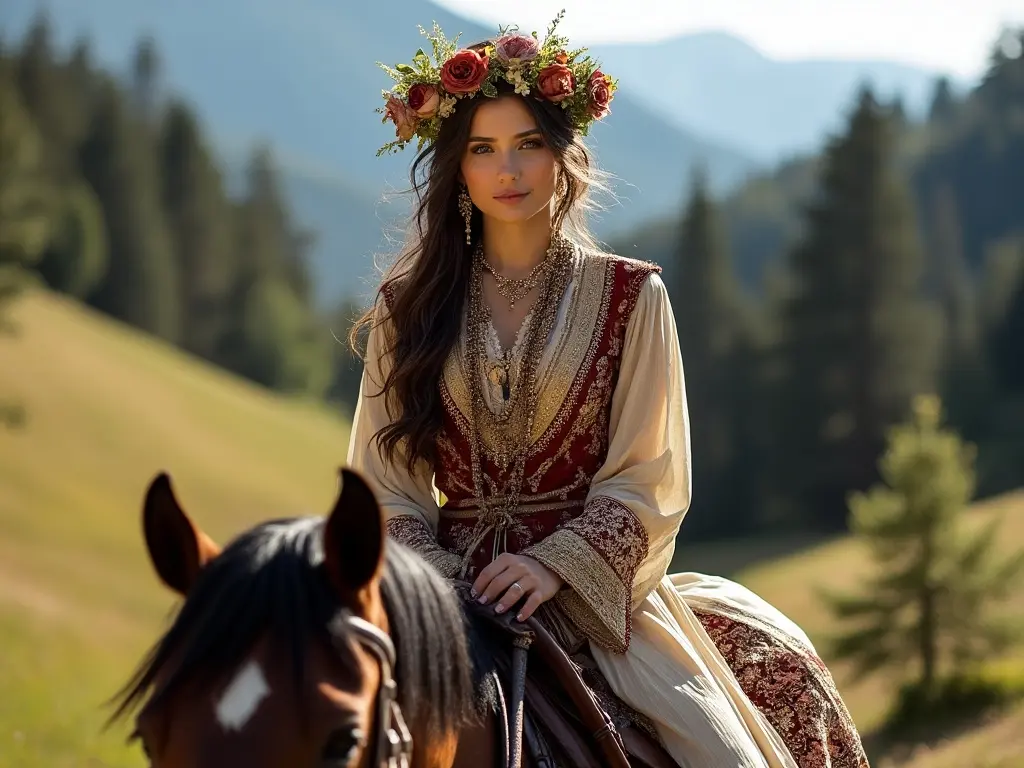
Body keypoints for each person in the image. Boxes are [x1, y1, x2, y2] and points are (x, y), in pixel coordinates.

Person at [347, 15, 869, 768]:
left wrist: (550, 564)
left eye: (529, 144)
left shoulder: (631, 296)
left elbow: (649, 478)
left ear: (564, 154)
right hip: (443, 599)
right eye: (483, 150)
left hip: (594, 599)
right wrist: (444, 582)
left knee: (727, 760)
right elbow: (385, 488)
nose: (509, 170)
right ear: (457, 168)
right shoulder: (407, 308)